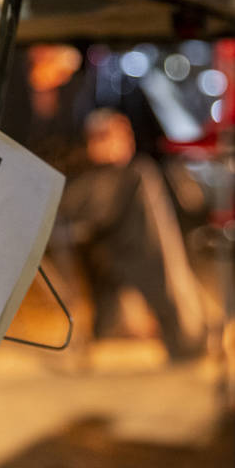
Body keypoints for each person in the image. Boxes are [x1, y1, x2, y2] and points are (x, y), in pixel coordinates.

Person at [57, 108, 206, 362]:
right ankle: (184, 327)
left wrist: (104, 136)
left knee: (139, 195)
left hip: (83, 191)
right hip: (47, 196)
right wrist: (90, 147)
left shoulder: (69, 91)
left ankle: (117, 317)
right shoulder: (17, 89)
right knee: (139, 181)